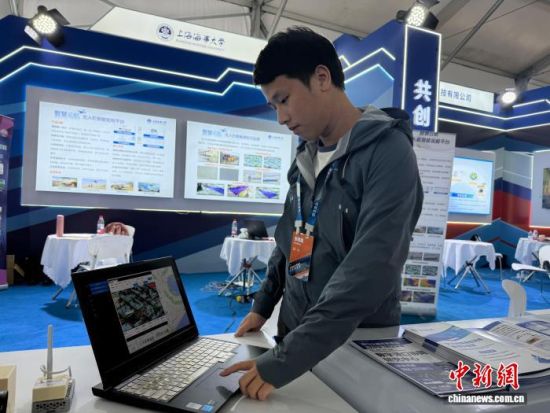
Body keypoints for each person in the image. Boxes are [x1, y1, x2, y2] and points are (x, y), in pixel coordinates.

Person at [220, 27, 424, 400]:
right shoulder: (305, 159)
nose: (281, 117)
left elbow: (371, 268)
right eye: (273, 107)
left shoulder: (389, 153)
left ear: (322, 78)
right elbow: (290, 239)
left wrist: (285, 360)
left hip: (356, 346)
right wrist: (263, 305)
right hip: (294, 336)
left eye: (284, 100)